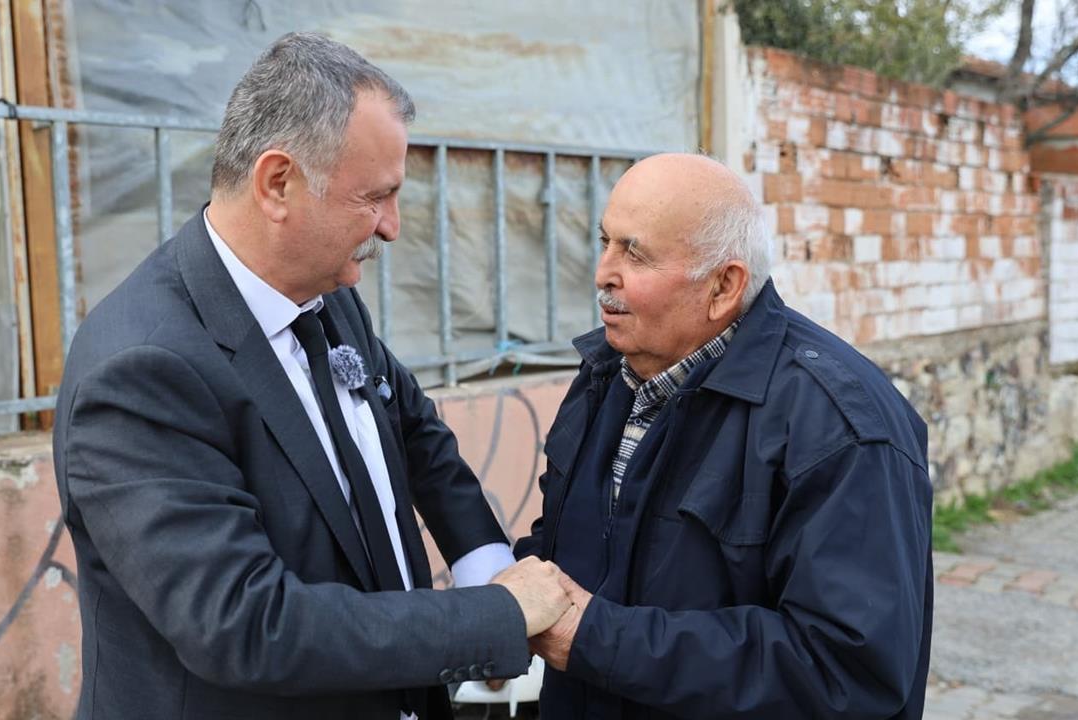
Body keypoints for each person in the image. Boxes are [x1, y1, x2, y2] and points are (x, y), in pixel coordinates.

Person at [52, 32, 570, 720]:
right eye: (375, 197)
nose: (391, 228)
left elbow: (412, 429)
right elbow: (246, 624)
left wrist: (487, 565)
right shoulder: (141, 372)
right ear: (278, 184)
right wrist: (493, 617)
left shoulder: (325, 293)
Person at [514, 153, 934, 719]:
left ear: (723, 286)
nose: (603, 273)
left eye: (635, 253)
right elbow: (576, 542)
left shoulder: (837, 427)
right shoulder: (608, 375)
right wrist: (508, 606)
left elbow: (845, 672)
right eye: (605, 241)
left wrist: (597, 640)